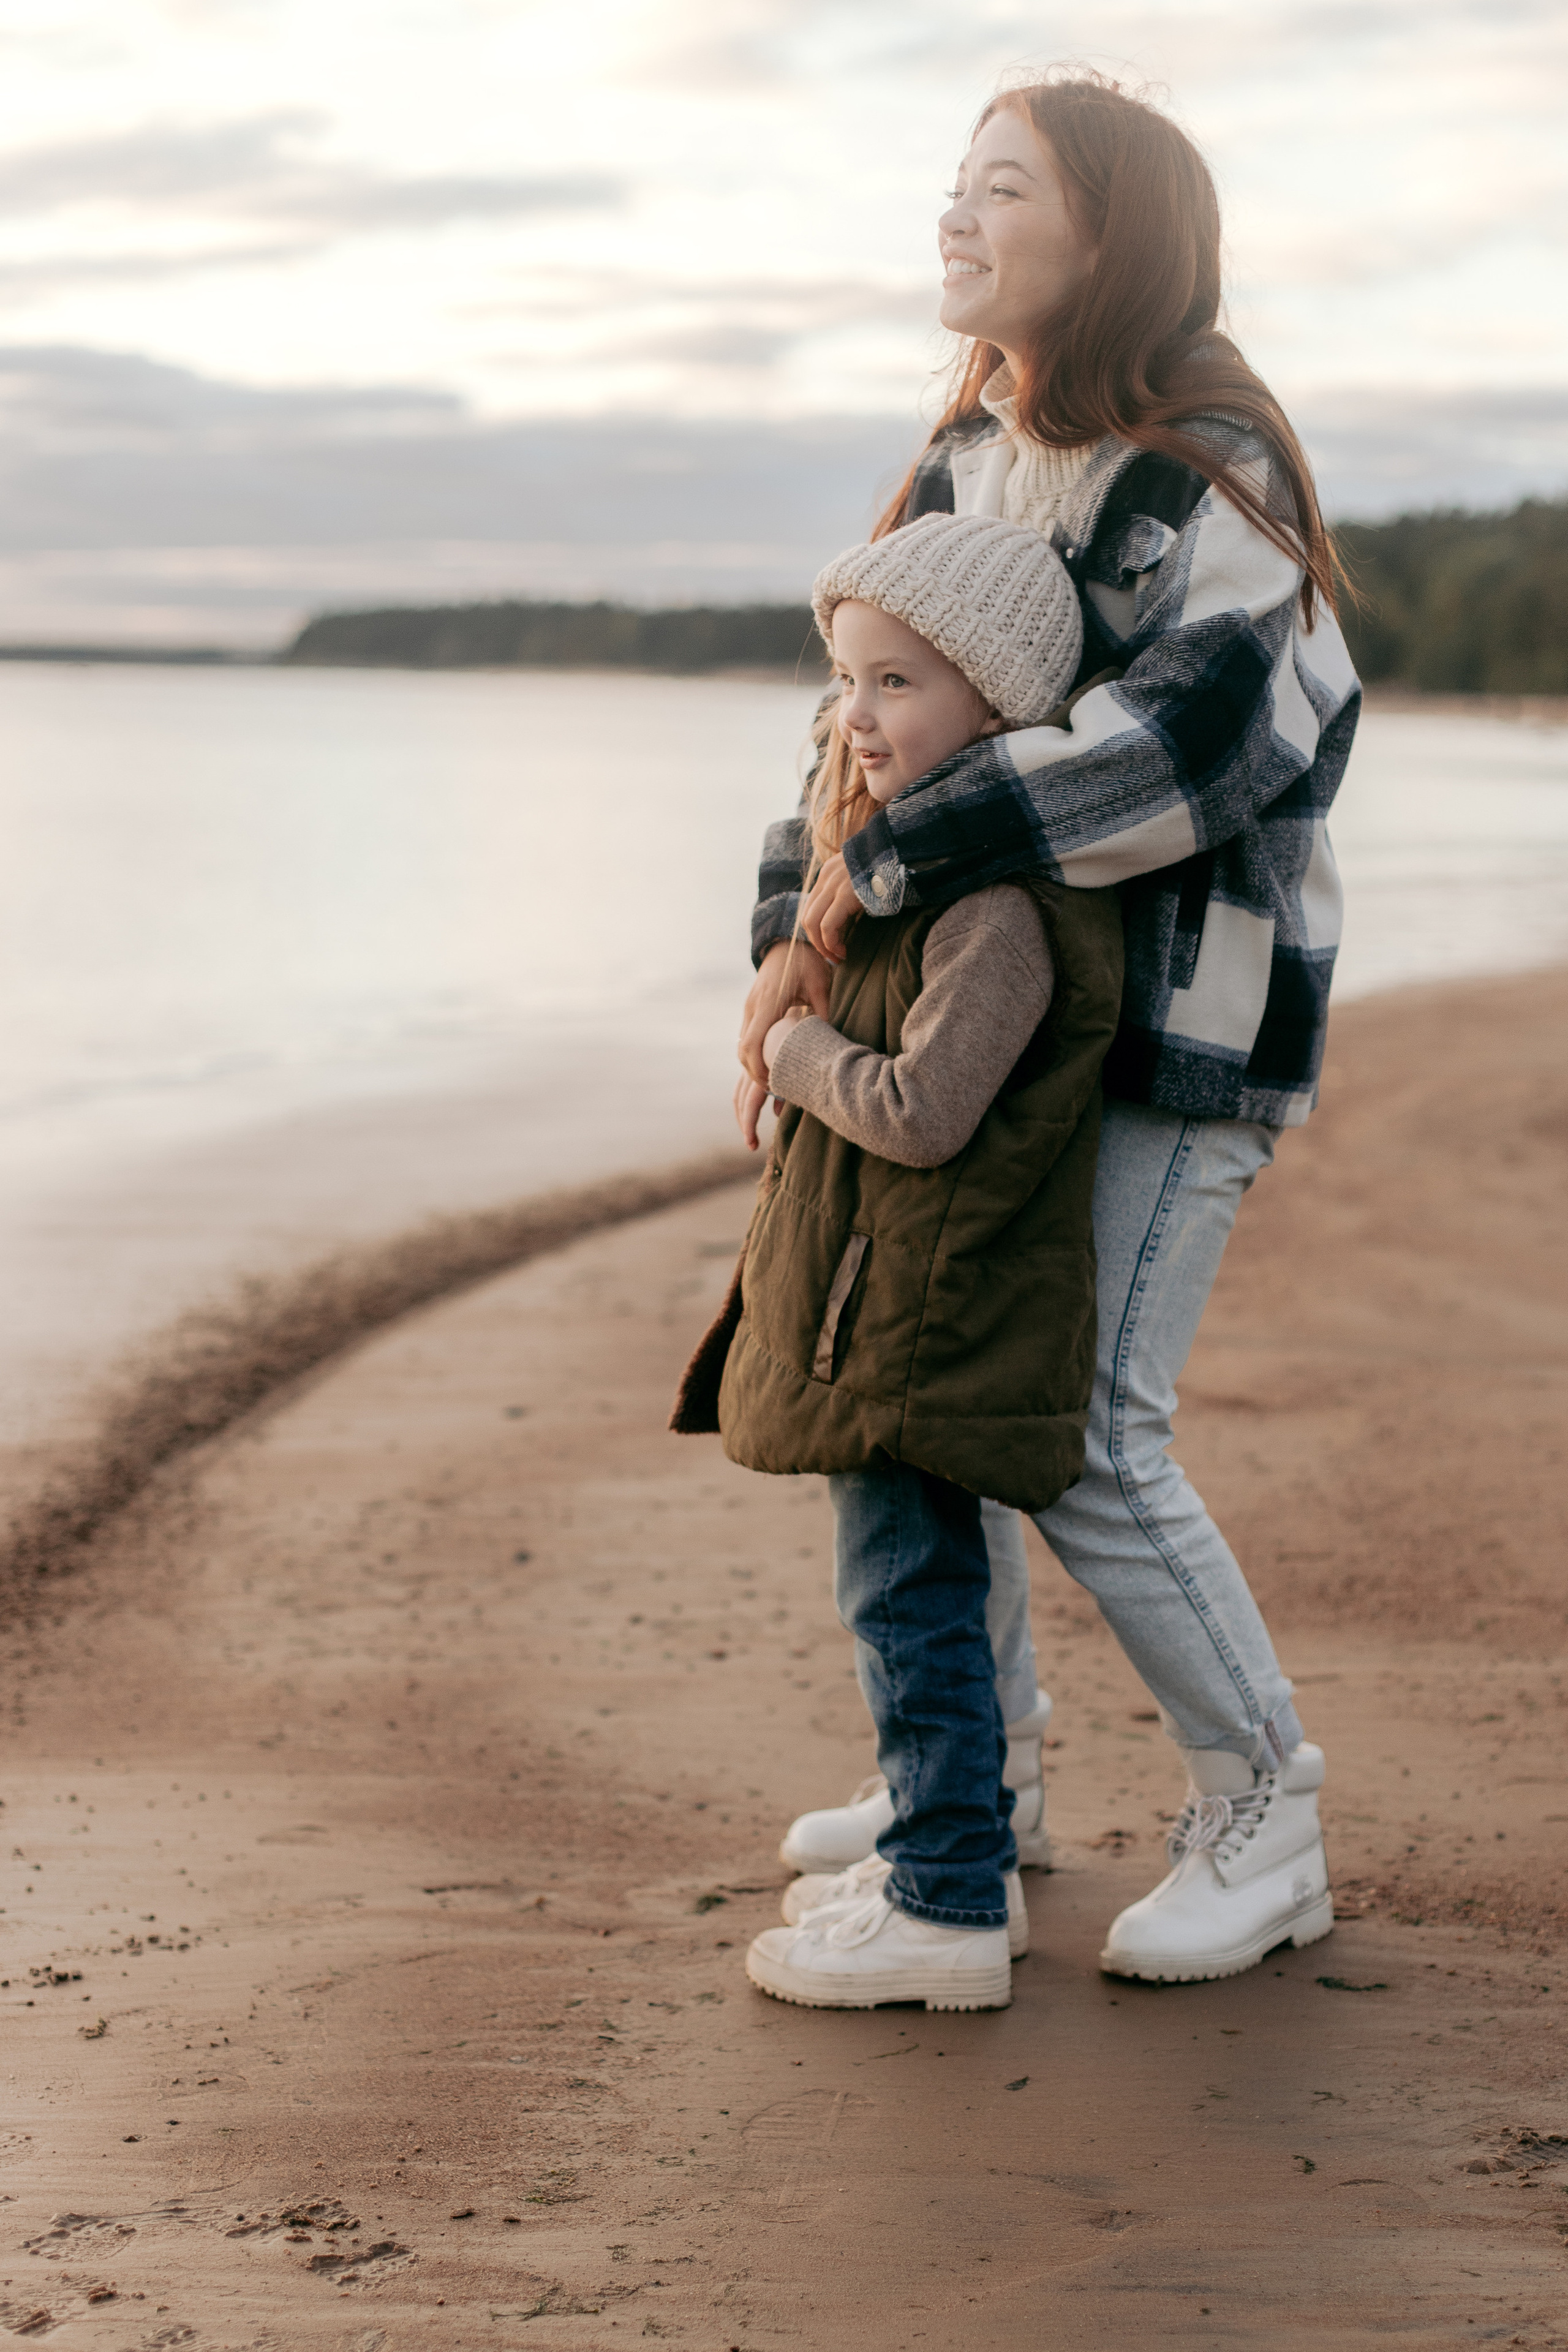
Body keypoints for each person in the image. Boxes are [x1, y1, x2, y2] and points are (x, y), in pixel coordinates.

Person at [736, 72, 1357, 1986]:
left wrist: (884, 878)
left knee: (1086, 1425)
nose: (955, 213)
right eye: (955, 181)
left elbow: (1215, 738)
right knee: (946, 1386)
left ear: (1114, 239)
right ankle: (972, 1785)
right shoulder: (957, 459)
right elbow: (855, 719)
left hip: (1176, 1035)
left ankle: (1268, 1812)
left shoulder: (1205, 460)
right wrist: (788, 947)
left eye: (1000, 187)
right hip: (989, 1018)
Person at [674, 511, 1123, 2009]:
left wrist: (793, 1043)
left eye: (897, 685)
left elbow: (923, 1115)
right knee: (901, 1594)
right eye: (846, 682)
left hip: (919, 1324)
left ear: (992, 706)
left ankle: (944, 1901)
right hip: (885, 1308)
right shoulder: (890, 877)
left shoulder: (990, 908)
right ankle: (945, 1847)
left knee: (908, 1599)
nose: (854, 718)